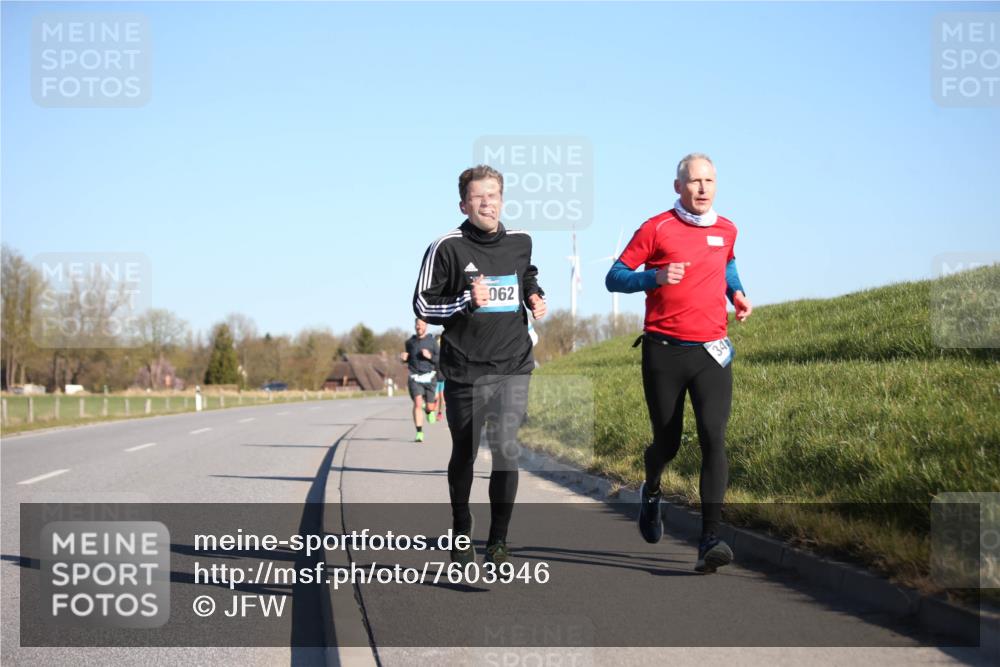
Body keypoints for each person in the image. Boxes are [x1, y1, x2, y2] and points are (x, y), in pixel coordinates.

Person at [605, 153, 752, 573]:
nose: (702, 188)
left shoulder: (727, 229)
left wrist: (736, 294)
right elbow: (614, 276)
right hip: (664, 351)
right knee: (667, 442)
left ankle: (710, 539)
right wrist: (654, 276)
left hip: (711, 351)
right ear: (678, 187)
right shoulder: (656, 228)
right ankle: (652, 490)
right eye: (694, 181)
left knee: (713, 437)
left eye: (709, 180)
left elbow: (728, 263)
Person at [413, 164, 547, 566]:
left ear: (502, 200)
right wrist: (466, 300)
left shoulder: (521, 241)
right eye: (478, 196)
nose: (487, 202)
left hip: (513, 363)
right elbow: (423, 304)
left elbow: (527, 275)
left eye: (493, 195)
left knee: (507, 448)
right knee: (465, 452)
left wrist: (534, 295)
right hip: (464, 369)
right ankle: (460, 526)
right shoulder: (446, 247)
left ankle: (499, 542)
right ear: (463, 204)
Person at [401, 318, 439, 442]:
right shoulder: (409, 342)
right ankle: (419, 432)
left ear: (426, 326)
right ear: (415, 326)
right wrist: (403, 358)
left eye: (422, 325)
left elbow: (440, 359)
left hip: (430, 376)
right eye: (417, 324)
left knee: (430, 407)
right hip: (415, 376)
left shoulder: (432, 342)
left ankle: (429, 410)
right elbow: (407, 358)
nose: (419, 327)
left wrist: (430, 356)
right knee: (417, 403)